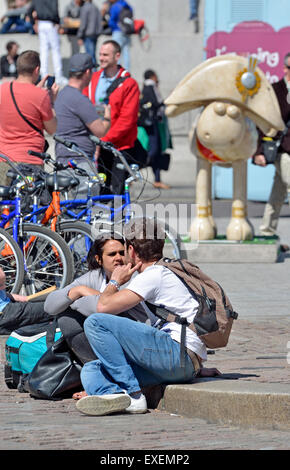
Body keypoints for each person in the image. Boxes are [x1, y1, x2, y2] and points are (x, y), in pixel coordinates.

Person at [76, 218, 220, 416]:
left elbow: (103, 306)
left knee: (95, 323)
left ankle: (134, 396)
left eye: (125, 249)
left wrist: (115, 282)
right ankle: (116, 395)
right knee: (91, 370)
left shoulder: (153, 275)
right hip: (182, 362)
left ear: (132, 251)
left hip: (176, 355)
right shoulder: (168, 269)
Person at [44, 234, 151, 367]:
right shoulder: (95, 276)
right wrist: (79, 290)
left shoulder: (135, 276)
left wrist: (82, 296)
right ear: (99, 259)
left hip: (141, 341)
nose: (118, 258)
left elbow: (100, 308)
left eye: (122, 253)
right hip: (113, 339)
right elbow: (50, 306)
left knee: (74, 316)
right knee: (65, 316)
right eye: (112, 254)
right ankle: (99, 369)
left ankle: (112, 372)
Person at [83, 39, 141, 194]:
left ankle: (119, 218)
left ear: (117, 56)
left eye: (106, 55)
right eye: (100, 54)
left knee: (118, 193)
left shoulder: (129, 84)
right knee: (100, 192)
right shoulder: (92, 79)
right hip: (98, 146)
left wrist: (103, 141)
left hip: (119, 147)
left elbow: (126, 120)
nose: (101, 58)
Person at [54, 52, 111, 199]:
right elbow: (100, 131)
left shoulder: (61, 95)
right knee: (83, 213)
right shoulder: (79, 99)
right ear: (87, 72)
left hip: (62, 163)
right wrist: (107, 117)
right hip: (80, 165)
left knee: (67, 214)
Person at [0, 50, 58, 182]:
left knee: (6, 202)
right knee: (29, 202)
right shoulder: (40, 96)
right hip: (29, 161)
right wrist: (52, 101)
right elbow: (52, 129)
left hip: (4, 159)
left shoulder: (2, 89)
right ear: (37, 69)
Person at [252, 53, 290, 241]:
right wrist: (259, 151)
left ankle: (267, 230)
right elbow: (263, 122)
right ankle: (267, 229)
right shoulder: (276, 90)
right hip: (284, 149)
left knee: (279, 190)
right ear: (284, 69)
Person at [138, 69, 173, 190]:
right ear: (153, 76)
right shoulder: (150, 87)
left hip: (151, 124)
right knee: (154, 151)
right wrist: (168, 99)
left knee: (157, 153)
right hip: (152, 124)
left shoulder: (145, 88)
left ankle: (157, 180)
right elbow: (156, 103)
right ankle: (133, 170)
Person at [0, 268, 53, 335]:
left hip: (7, 311)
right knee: (54, 307)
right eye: (1, 285)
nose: (4, 286)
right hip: (6, 312)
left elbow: (2, 292)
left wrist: (21, 298)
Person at [27, 0, 67, 86]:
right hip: (50, 23)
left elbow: (29, 10)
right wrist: (58, 23)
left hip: (41, 23)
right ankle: (58, 75)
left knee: (44, 50)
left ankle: (44, 74)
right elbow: (55, 11)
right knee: (55, 50)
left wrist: (33, 23)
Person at [107, 0, 133, 71]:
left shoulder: (115, 7)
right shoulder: (127, 6)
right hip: (127, 32)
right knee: (126, 53)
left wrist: (116, 28)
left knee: (115, 52)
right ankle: (127, 72)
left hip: (118, 32)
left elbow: (111, 21)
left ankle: (116, 71)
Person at [77, 0, 102, 69]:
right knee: (93, 55)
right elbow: (100, 21)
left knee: (90, 57)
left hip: (88, 35)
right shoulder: (95, 7)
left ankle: (93, 75)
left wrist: (80, 36)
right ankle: (95, 73)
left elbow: (83, 24)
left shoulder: (85, 8)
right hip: (95, 34)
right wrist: (99, 32)